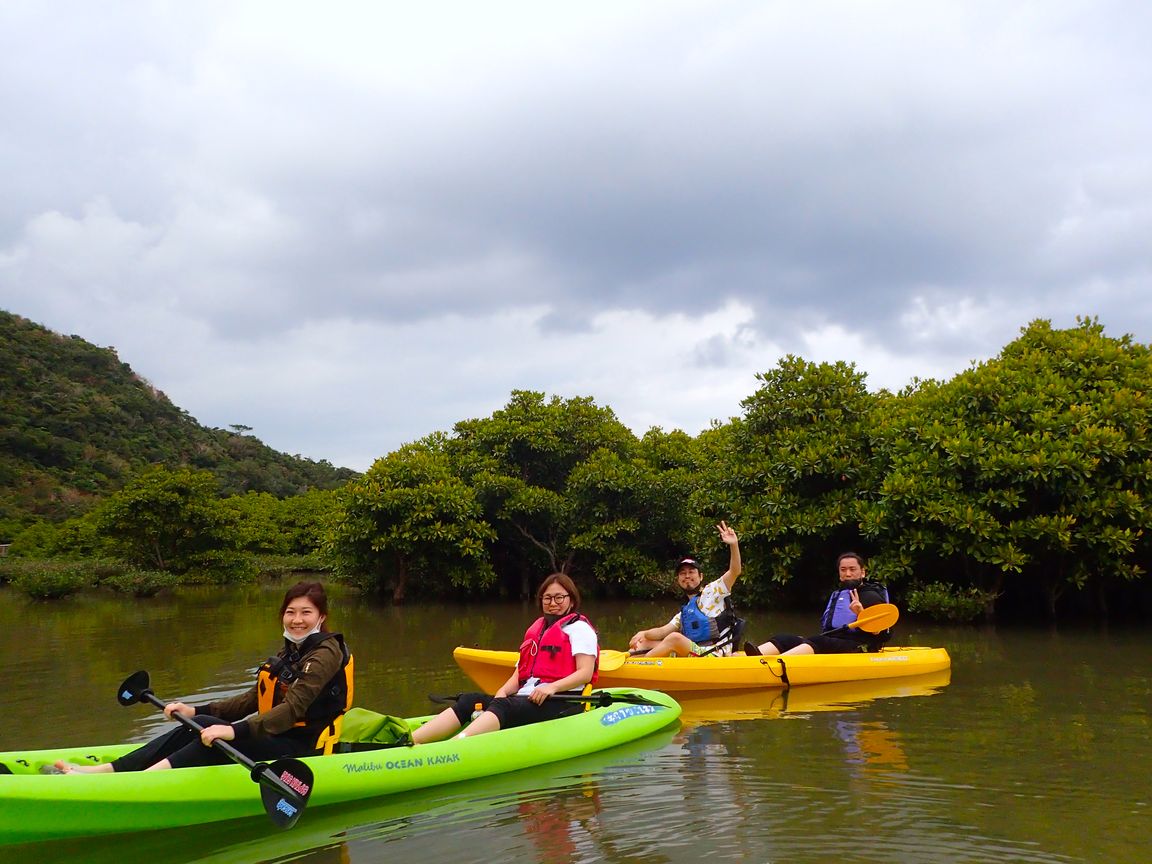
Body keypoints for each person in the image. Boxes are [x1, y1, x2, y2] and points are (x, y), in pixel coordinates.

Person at [55, 580, 354, 773]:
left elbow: (292, 711)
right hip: (273, 733)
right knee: (198, 724)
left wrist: (234, 732)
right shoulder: (292, 649)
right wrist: (195, 710)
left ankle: (144, 779)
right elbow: (253, 698)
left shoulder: (326, 653)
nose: (297, 620)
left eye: (306, 613)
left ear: (321, 617)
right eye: (291, 612)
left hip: (306, 747)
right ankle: (111, 770)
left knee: (211, 733)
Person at [412, 573, 598, 743]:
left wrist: (552, 688)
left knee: (505, 707)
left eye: (559, 597)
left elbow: (585, 673)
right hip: (528, 699)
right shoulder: (537, 630)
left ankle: (455, 746)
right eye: (548, 598)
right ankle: (411, 741)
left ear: (571, 601)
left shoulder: (579, 629)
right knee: (470, 700)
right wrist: (501, 693)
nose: (553, 602)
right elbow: (520, 673)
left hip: (561, 700)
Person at [628, 521, 743, 658]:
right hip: (692, 654)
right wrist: (643, 634)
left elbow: (735, 571)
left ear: (701, 576)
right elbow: (661, 631)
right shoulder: (683, 613)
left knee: (675, 638)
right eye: (682, 573)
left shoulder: (714, 590)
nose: (687, 576)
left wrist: (734, 545)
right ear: (678, 579)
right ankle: (630, 667)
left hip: (714, 654)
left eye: (691, 572)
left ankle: (641, 667)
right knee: (642, 643)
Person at [747, 551, 889, 656]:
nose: (848, 574)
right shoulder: (838, 595)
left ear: (862, 572)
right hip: (834, 643)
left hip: (861, 647)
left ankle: (775, 665)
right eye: (843, 570)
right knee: (784, 638)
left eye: (852, 569)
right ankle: (754, 658)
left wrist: (860, 613)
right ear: (839, 573)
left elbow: (879, 633)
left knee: (818, 640)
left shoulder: (871, 596)